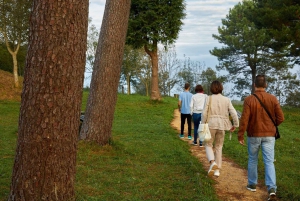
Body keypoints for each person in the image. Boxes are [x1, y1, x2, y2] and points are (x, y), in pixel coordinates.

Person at [237, 75, 284, 201]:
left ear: (254, 85)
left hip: (253, 135)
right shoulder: (273, 99)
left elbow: (244, 119)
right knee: (269, 161)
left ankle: (252, 184)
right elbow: (281, 118)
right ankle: (272, 189)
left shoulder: (249, 100)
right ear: (266, 85)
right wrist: (272, 126)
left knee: (253, 159)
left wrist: (240, 134)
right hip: (269, 135)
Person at [202, 80, 239, 177]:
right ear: (221, 88)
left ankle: (212, 162)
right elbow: (234, 113)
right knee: (219, 146)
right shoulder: (226, 100)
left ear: (211, 88)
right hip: (222, 126)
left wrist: (203, 123)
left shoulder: (208, 98)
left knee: (208, 144)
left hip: (210, 124)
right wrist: (235, 124)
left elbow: (204, 113)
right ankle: (217, 170)